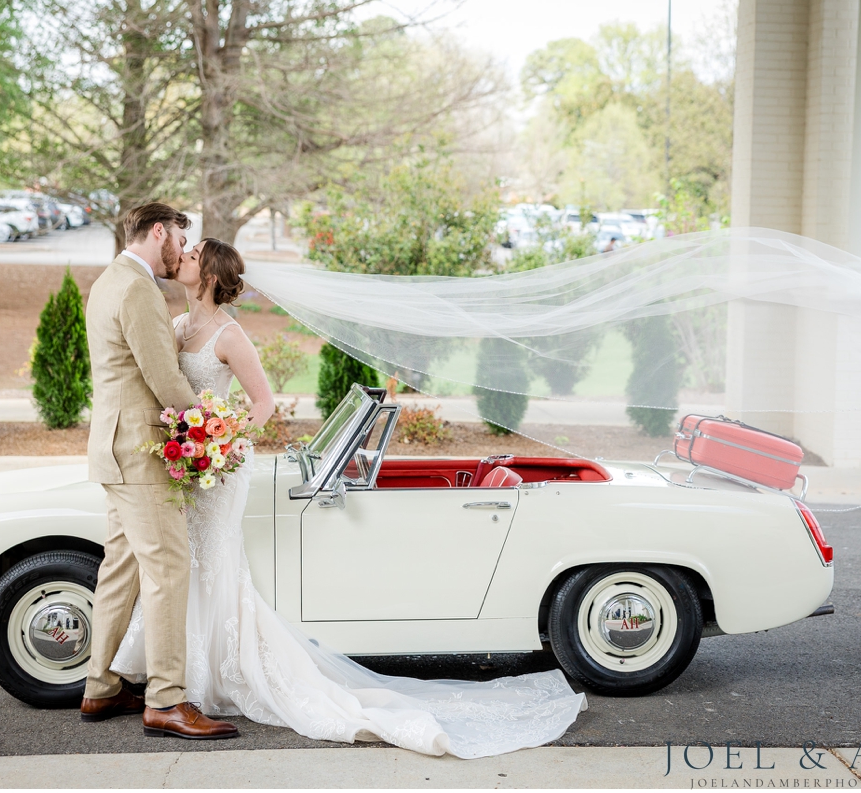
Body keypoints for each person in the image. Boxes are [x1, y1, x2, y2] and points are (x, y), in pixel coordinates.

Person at [109, 237, 587, 758]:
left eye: (193, 253)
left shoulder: (230, 335)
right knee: (182, 567)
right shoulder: (177, 327)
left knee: (214, 565)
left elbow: (263, 404)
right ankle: (177, 680)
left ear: (207, 274)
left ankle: (209, 679)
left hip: (219, 467)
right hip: (189, 468)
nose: (182, 256)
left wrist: (219, 442)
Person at [81, 203, 239, 740]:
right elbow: (164, 379)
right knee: (169, 569)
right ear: (157, 232)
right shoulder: (139, 289)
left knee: (119, 570)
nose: (179, 251)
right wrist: (211, 428)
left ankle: (100, 687)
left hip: (112, 449)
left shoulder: (109, 280)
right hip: (140, 451)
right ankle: (167, 700)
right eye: (176, 239)